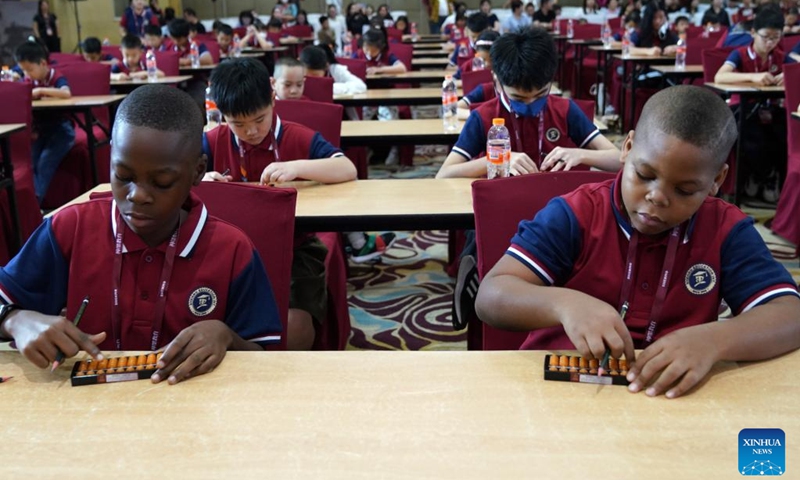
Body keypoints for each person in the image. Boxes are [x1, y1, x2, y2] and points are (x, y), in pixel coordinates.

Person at [475, 85, 800, 399]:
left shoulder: (725, 228)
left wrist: (715, 340)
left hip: (668, 395)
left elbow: (790, 314)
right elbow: (491, 295)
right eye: (644, 175)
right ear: (627, 148)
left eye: (685, 191)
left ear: (716, 180)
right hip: (561, 386)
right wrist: (564, 304)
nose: (656, 197)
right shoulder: (576, 214)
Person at [0, 85, 283, 383]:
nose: (137, 196)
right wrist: (15, 319)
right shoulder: (69, 229)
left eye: (161, 182)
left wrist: (227, 337)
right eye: (123, 176)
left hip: (192, 416)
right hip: (83, 414)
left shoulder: (232, 250)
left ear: (198, 171)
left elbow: (265, 356)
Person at [201, 59, 357, 349]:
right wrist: (201, 178)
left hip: (294, 247)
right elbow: (178, 175)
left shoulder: (297, 136)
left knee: (296, 328)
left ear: (273, 98)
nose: (251, 132)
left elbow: (347, 168)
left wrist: (298, 167)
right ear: (222, 116)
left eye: (259, 119)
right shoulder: (212, 141)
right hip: (230, 250)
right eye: (238, 124)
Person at [436, 28, 620, 179]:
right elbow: (444, 174)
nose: (532, 104)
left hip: (553, 206)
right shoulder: (483, 117)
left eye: (540, 95)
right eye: (519, 98)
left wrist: (581, 154)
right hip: (502, 202)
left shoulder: (565, 110)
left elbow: (620, 160)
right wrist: (496, 160)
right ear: (497, 81)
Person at [714, 5, 786, 202]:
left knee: (784, 132)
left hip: (770, 108)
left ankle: (770, 177)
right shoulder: (740, 54)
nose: (770, 43)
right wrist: (754, 78)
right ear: (753, 32)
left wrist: (786, 76)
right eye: (766, 37)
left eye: (776, 37)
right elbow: (720, 76)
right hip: (742, 108)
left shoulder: (779, 56)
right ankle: (753, 177)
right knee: (750, 134)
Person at [14, 41, 74, 203]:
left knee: (44, 163)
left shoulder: (55, 76)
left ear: (42, 63)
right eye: (23, 71)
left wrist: (41, 91)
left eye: (30, 70)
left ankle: (34, 203)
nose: (27, 74)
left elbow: (66, 93)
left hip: (61, 131)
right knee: (29, 164)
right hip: (39, 132)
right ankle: (32, 204)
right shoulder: (27, 80)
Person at [456, 30, 500, 119]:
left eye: (492, 60)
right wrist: (481, 116)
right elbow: (455, 109)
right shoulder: (485, 89)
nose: (487, 64)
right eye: (483, 60)